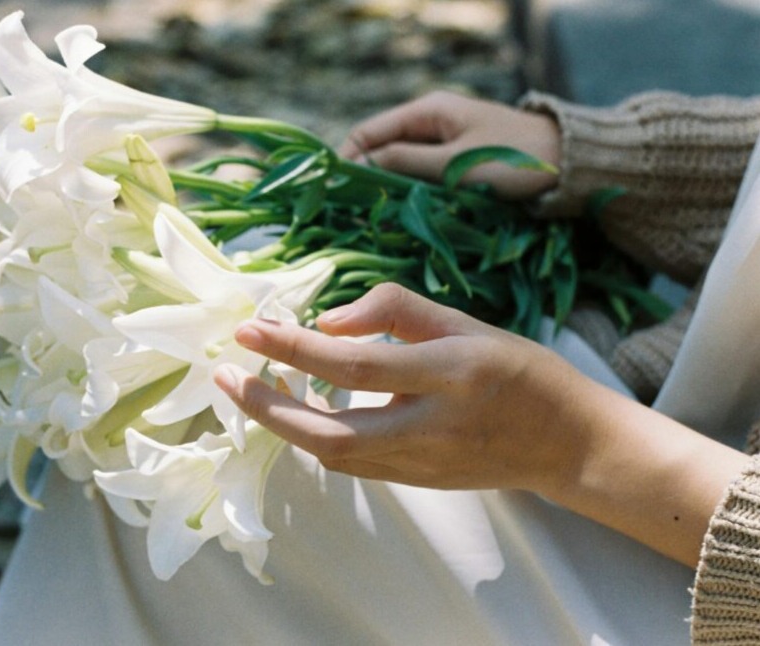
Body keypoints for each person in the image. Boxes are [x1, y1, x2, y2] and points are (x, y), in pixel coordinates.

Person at [212, 90, 760, 643]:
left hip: (706, 581)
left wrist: (572, 444)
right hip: (660, 404)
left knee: (233, 444)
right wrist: (586, 156)